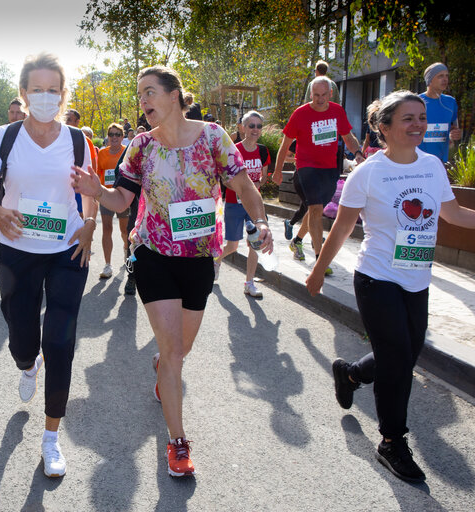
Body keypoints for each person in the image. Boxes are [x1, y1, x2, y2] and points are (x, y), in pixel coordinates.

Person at [72, 65, 272, 477]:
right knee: (176, 353)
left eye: (150, 92)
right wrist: (97, 192)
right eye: (140, 94)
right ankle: (177, 442)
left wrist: (261, 221)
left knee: (179, 350)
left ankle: (163, 367)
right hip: (154, 254)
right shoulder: (141, 147)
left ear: (176, 95)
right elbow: (121, 199)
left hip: (200, 257)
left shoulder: (213, 137)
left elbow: (244, 186)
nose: (143, 101)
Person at [305, 91, 475, 483]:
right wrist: (318, 270)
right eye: (408, 119)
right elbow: (344, 227)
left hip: (418, 279)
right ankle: (391, 441)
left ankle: (350, 374)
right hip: (377, 277)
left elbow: (452, 213)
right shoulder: (368, 173)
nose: (418, 125)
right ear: (384, 128)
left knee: (405, 353)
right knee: (398, 357)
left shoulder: (432, 166)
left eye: (422, 118)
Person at [0, 53, 94, 479]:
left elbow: (89, 190)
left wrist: (90, 224)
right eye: (36, 89)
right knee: (23, 337)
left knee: (60, 343)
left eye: (53, 89)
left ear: (63, 94)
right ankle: (27, 363)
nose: (45, 97)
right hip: (17, 249)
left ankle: (51, 437)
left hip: (65, 251)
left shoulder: (77, 139)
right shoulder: (4, 137)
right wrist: (0, 213)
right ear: (24, 94)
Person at [272, 76, 364, 274]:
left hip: (330, 169)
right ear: (310, 95)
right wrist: (278, 171)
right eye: (316, 96)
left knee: (316, 210)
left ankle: (297, 241)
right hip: (306, 167)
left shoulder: (337, 111)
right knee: (314, 208)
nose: (320, 99)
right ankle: (320, 259)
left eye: (324, 95)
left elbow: (348, 137)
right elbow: (285, 145)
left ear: (330, 94)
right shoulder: (300, 114)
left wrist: (357, 153)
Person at [220, 111, 270, 297]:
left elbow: (264, 177)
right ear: (243, 128)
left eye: (259, 126)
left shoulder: (263, 151)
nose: (255, 129)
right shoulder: (234, 150)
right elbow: (224, 179)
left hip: (254, 206)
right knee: (232, 246)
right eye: (251, 126)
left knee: (255, 244)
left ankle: (249, 283)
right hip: (234, 204)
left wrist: (257, 184)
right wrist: (241, 187)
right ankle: (217, 261)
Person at [96, 122, 129, 279]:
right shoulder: (102, 153)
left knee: (124, 231)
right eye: (111, 134)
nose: (114, 137)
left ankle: (126, 249)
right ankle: (108, 265)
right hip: (106, 195)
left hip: (123, 195)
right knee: (107, 229)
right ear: (107, 137)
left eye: (117, 134)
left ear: (122, 137)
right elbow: (98, 173)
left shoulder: (127, 152)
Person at [418, 62, 462, 164]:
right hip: (418, 160)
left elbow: (454, 128)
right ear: (430, 80)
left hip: (441, 161)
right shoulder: (416, 101)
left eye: (447, 76)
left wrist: (455, 134)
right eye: (440, 76)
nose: (445, 79)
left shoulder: (451, 102)